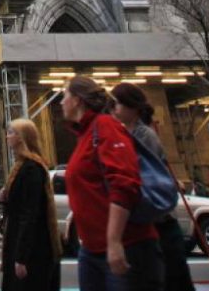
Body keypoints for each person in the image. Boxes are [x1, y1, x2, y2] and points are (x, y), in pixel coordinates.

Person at [61, 75, 164, 291]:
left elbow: (124, 183)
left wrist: (114, 241)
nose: (61, 102)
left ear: (77, 100)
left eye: (64, 96)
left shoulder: (106, 126)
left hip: (124, 246)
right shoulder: (85, 134)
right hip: (92, 249)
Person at [111, 82, 193, 291]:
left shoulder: (144, 135)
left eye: (117, 104)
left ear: (133, 107)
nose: (113, 109)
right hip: (149, 223)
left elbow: (143, 176)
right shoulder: (127, 134)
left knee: (170, 280)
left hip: (160, 223)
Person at [0, 118, 61, 290]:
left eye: (11, 132)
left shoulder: (31, 168)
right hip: (19, 242)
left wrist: (21, 257)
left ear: (21, 137)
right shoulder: (21, 166)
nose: (7, 136)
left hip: (33, 249)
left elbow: (30, 213)